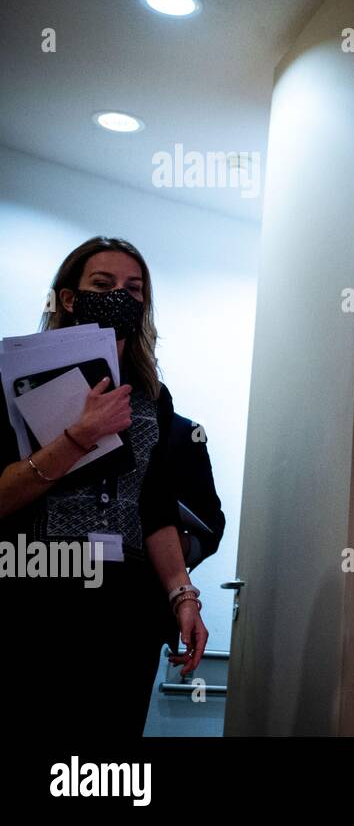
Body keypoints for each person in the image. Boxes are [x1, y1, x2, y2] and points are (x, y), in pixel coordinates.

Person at [0, 237, 210, 735]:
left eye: (133, 289)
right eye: (103, 284)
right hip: (35, 595)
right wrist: (80, 436)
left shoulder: (153, 398)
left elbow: (156, 507)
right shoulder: (13, 378)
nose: (120, 295)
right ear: (69, 297)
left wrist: (184, 596)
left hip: (123, 611)